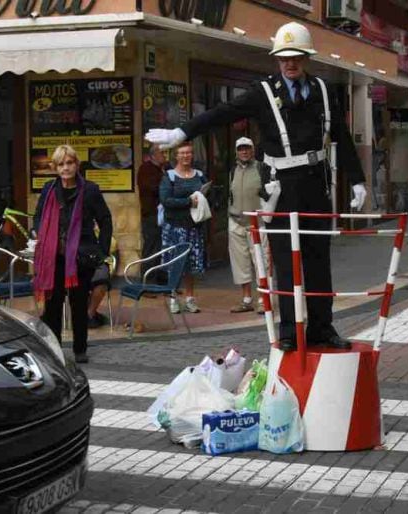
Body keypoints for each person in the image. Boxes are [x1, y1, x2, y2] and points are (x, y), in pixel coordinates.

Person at [146, 21, 367, 351]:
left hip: (316, 186)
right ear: (277, 59)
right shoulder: (263, 92)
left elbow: (342, 137)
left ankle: (322, 328)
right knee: (285, 263)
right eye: (284, 58)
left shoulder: (322, 90)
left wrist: (358, 179)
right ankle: (289, 331)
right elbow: (222, 113)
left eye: (296, 57)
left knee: (318, 261)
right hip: (282, 189)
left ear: (306, 58)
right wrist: (183, 132)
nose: (290, 63)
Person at [32, 145, 112, 364]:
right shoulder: (49, 189)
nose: (65, 168)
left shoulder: (90, 190)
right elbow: (38, 216)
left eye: (69, 163)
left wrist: (101, 251)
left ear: (76, 164)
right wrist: (39, 233)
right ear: (55, 168)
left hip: (80, 257)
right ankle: (55, 349)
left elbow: (105, 220)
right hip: (53, 258)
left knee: (78, 305)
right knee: (53, 307)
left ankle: (80, 349)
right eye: (60, 164)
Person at [159, 141, 209, 314]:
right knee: (175, 264)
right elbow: (166, 200)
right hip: (174, 227)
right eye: (182, 153)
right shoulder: (169, 177)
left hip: (194, 227)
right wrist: (188, 202)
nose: (186, 156)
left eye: (188, 152)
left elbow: (207, 195)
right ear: (176, 156)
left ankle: (190, 299)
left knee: (191, 266)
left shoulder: (199, 175)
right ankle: (173, 298)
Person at [228, 136, 270, 314]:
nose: (244, 151)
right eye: (240, 149)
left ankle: (263, 299)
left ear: (252, 150)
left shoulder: (262, 168)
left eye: (247, 148)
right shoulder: (232, 170)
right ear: (236, 152)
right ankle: (246, 300)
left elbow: (271, 193)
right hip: (235, 221)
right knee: (240, 263)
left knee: (262, 262)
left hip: (258, 223)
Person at [137, 144, 168, 285]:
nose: (164, 156)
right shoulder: (146, 169)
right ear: (153, 155)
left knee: (162, 247)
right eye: (162, 153)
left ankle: (161, 279)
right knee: (151, 247)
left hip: (163, 214)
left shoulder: (164, 169)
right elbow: (152, 188)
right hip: (151, 214)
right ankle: (148, 281)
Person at [87, 231, 118, 329]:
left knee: (102, 279)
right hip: (71, 260)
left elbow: (110, 242)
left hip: (95, 258)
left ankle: (90, 314)